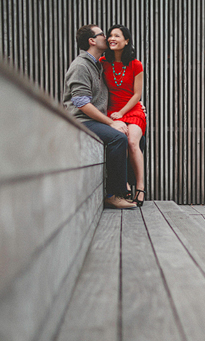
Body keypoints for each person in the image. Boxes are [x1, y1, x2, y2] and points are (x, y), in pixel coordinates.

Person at [62, 24, 136, 209]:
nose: (107, 37)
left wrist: (135, 104)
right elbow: (81, 103)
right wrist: (111, 122)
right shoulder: (80, 66)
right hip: (81, 121)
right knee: (118, 138)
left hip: (94, 119)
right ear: (92, 41)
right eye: (103, 34)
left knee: (134, 135)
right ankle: (113, 194)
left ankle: (127, 187)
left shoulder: (98, 65)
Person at [100, 25, 146, 207]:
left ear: (126, 41)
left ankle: (140, 187)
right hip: (112, 112)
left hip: (132, 109)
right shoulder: (102, 62)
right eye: (110, 35)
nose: (112, 38)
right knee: (121, 140)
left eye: (116, 36)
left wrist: (122, 112)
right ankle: (123, 184)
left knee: (133, 142)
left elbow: (137, 95)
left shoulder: (136, 64)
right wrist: (113, 115)